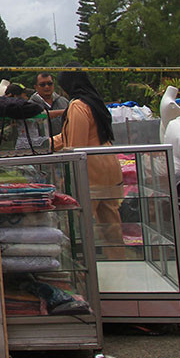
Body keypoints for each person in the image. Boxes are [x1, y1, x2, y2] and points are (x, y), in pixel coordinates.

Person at [52, 67, 125, 259]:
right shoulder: (94, 102)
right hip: (109, 166)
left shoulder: (77, 106)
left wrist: (66, 178)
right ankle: (119, 264)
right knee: (110, 224)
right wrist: (47, 144)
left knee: (79, 223)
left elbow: (75, 145)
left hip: (91, 171)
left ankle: (84, 271)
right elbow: (71, 136)